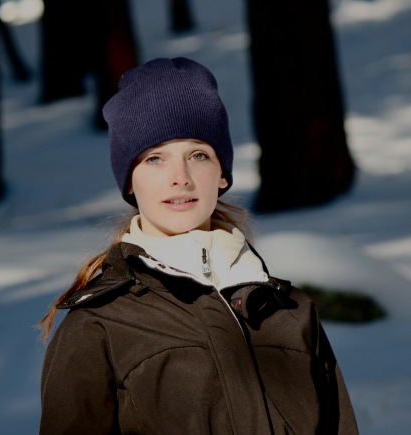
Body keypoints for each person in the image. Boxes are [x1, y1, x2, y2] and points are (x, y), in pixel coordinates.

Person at [38, 57, 358, 434]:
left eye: (198, 155)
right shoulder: (97, 327)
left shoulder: (290, 313)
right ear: (128, 182)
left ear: (222, 173)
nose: (180, 178)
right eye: (155, 158)